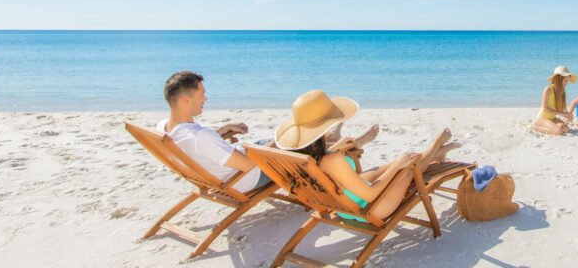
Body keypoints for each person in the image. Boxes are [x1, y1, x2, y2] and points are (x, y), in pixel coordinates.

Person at [157, 71, 381, 194]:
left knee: (291, 138)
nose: (205, 98)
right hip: (248, 177)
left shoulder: (167, 127)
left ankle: (328, 137)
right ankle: (349, 144)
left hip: (229, 161)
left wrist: (223, 131)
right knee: (300, 149)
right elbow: (250, 165)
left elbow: (199, 144)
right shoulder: (201, 138)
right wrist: (275, 145)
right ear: (186, 99)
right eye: (201, 94)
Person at [275, 89, 461, 221]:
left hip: (341, 202)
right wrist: (397, 166)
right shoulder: (333, 161)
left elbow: (323, 167)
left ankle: (437, 153)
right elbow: (371, 195)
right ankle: (437, 143)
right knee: (407, 168)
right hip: (370, 209)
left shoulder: (298, 156)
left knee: (389, 166)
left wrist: (337, 147)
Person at [533, 66, 577, 136]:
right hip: (542, 118)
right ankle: (534, 127)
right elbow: (545, 109)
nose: (567, 83)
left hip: (552, 118)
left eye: (568, 81)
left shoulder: (562, 91)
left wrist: (567, 115)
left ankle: (550, 126)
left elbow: (558, 109)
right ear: (559, 79)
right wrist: (563, 114)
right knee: (558, 131)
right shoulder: (548, 89)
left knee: (566, 129)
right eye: (565, 81)